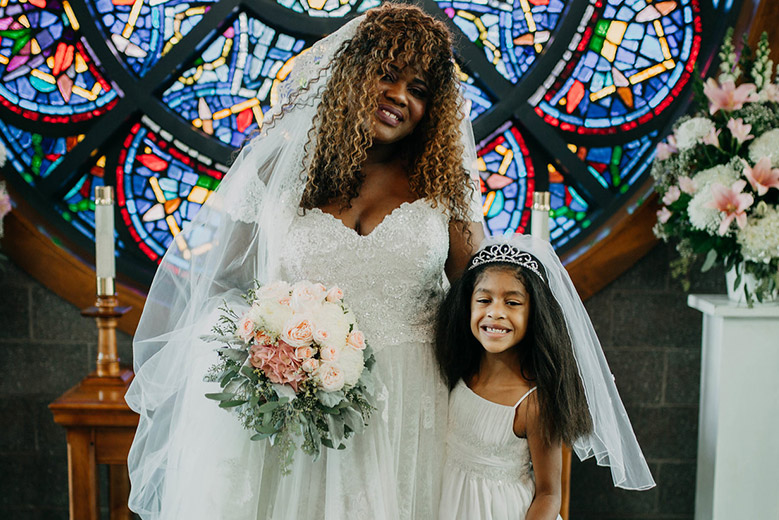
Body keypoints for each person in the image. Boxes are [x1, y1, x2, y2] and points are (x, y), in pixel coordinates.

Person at [125, 4, 484, 520]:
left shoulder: (447, 189)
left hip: (412, 408)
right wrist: (274, 349)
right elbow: (226, 287)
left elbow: (474, 301)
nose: (400, 96)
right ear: (352, 73)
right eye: (387, 74)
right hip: (297, 410)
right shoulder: (279, 170)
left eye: (420, 89)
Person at [435, 235, 655, 520]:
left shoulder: (534, 404)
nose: (495, 312)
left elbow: (550, 493)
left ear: (534, 313)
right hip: (447, 502)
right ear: (467, 305)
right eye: (484, 300)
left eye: (512, 302)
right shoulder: (459, 370)